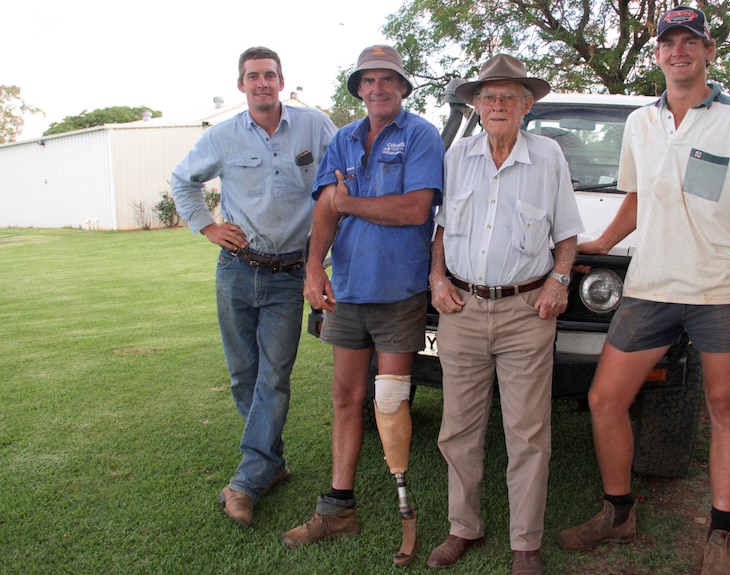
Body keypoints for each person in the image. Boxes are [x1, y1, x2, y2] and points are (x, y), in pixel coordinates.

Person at [556, 7, 730, 575]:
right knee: (606, 401)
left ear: (709, 51)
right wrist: (599, 240)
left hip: (720, 290)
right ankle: (618, 514)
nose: (678, 51)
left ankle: (720, 536)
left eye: (690, 42)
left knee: (725, 407)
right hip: (651, 285)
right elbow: (635, 197)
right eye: (668, 43)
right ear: (656, 54)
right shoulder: (641, 122)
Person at [280, 45, 444, 567]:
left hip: (398, 291)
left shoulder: (421, 135)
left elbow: (416, 208)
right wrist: (312, 268)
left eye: (388, 80)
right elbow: (324, 213)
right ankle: (338, 507)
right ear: (359, 89)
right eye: (368, 81)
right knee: (346, 399)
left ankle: (403, 507)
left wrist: (349, 202)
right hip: (347, 289)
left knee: (390, 402)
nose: (378, 89)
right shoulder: (344, 140)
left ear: (402, 87)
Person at [427, 54, 585, 575]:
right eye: (489, 97)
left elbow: (566, 233)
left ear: (526, 105)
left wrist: (560, 279)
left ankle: (525, 545)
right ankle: (462, 529)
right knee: (458, 430)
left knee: (528, 431)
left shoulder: (549, 157)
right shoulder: (456, 157)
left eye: (508, 97)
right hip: (463, 309)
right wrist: (437, 278)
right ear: (475, 104)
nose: (497, 105)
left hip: (525, 312)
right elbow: (443, 229)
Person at [171, 47, 336, 527]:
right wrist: (207, 226)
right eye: (253, 77)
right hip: (237, 270)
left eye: (270, 75)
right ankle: (272, 462)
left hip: (290, 275)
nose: (262, 83)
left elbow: (338, 182)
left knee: (273, 377)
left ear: (282, 82)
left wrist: (321, 260)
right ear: (241, 85)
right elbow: (184, 181)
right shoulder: (221, 137)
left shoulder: (314, 126)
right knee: (244, 376)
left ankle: (245, 482)